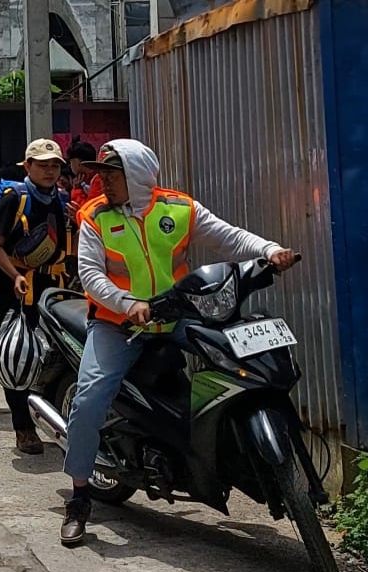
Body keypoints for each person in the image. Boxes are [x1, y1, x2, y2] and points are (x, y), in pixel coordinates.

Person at [60, 138, 299, 546]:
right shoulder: (94, 216)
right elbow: (91, 276)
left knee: (234, 357)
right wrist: (127, 303)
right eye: (102, 175)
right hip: (118, 325)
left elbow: (227, 237)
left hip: (175, 318)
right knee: (89, 398)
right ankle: (80, 497)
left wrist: (270, 250)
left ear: (136, 175)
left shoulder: (179, 208)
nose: (104, 183)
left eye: (112, 175)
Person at [0, 139, 74, 455]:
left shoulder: (61, 200)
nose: (50, 171)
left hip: (52, 288)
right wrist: (16, 276)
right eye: (43, 165)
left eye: (55, 166)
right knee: (18, 355)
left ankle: (52, 419)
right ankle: (22, 427)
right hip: (16, 290)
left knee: (53, 356)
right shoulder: (14, 200)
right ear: (28, 166)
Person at [66, 137, 103, 218]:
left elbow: (88, 211)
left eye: (71, 162)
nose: (70, 166)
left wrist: (76, 190)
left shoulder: (98, 180)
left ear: (77, 163)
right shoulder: (89, 180)